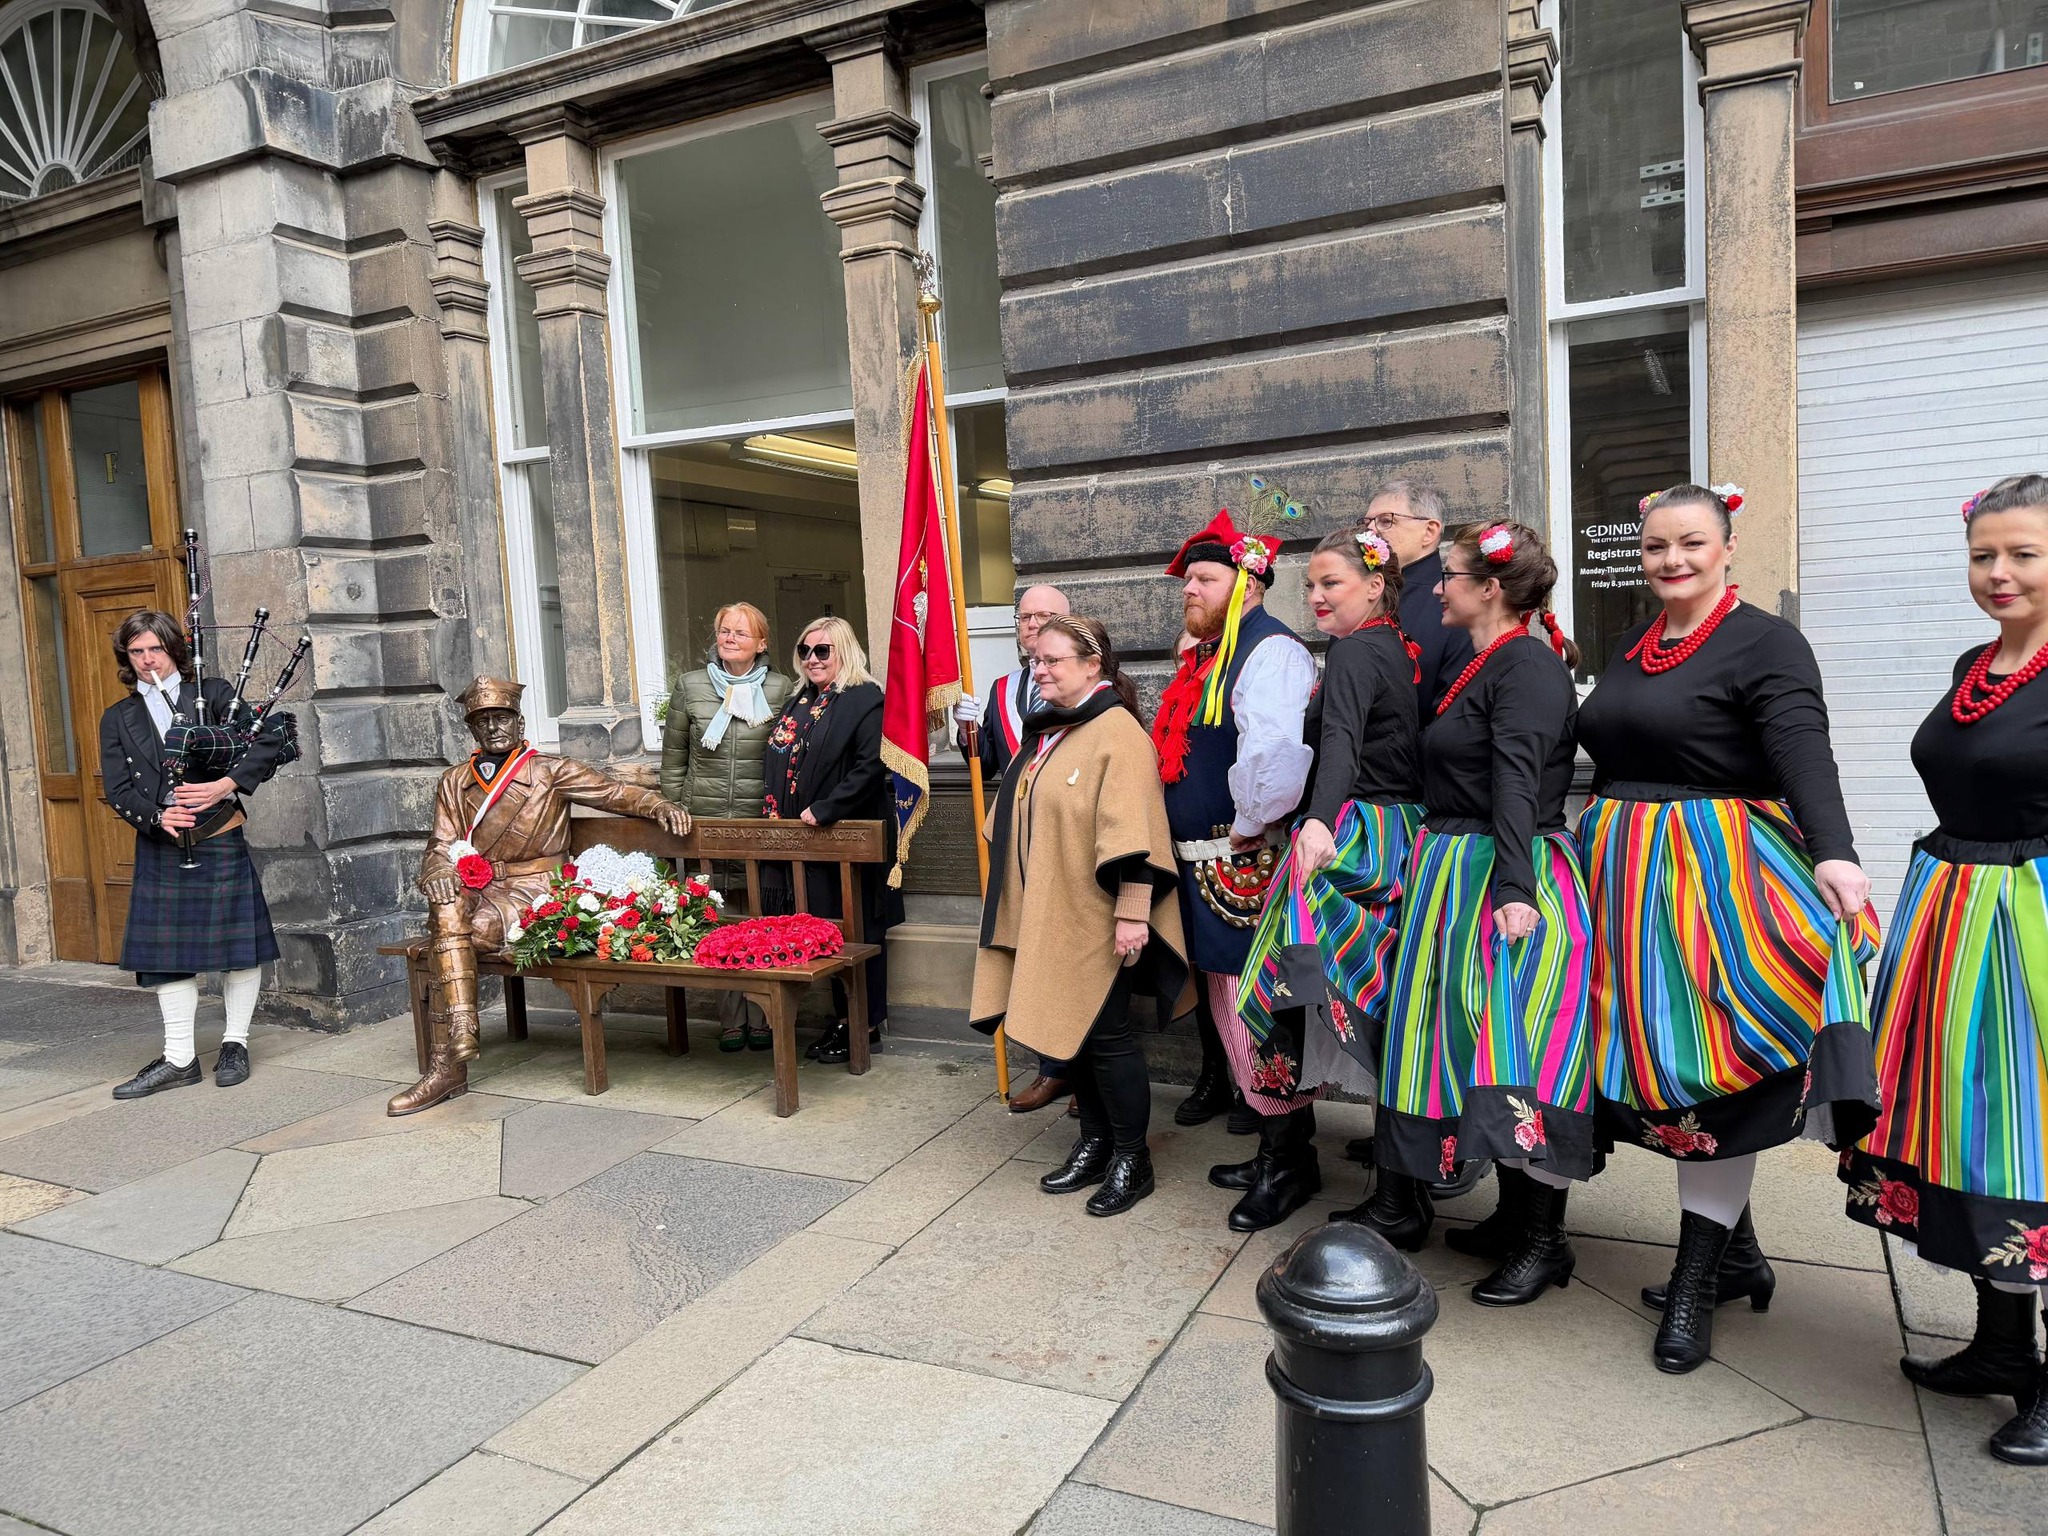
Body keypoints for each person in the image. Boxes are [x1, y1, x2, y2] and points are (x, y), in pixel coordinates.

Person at [1577, 483, 1877, 1373]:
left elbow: (1802, 750)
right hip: (1623, 883)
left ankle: (1699, 1280)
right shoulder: (1639, 641)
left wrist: (1835, 853)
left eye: (1692, 543)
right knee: (1657, 1071)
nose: (1672, 560)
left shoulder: (1767, 642)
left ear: (1728, 546)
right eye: (1657, 546)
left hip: (1715, 887)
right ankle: (1739, 1254)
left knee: (1715, 1076)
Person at [1842, 474, 2048, 1467]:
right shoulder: (1977, 661)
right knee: (1967, 1138)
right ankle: (2000, 1344)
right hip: (1950, 918)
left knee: (2032, 1139)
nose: (1997, 573)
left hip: (2030, 930)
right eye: (1982, 555)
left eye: (2022, 554)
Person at [1365, 521, 1594, 1308]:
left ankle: (1545, 1240)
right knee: (1471, 1049)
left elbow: (1519, 787)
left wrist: (1516, 892)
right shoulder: (1484, 660)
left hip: (1503, 879)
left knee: (1518, 1053)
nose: (1436, 587)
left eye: (1451, 576)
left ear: (1489, 589)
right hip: (1459, 872)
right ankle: (1511, 1217)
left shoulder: (1526, 666)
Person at [391, 677, 690, 1114]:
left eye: (501, 718)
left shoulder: (549, 770)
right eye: (482, 721)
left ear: (520, 721)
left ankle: (446, 1066)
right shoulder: (454, 781)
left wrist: (660, 805)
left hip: (534, 889)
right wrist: (437, 870)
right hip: (480, 887)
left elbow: (613, 792)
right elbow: (440, 844)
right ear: (472, 730)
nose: (493, 727)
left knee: (446, 938)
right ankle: (460, 1034)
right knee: (447, 907)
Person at [971, 616, 1189, 1217]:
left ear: (1093, 666)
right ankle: (1093, 1143)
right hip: (1053, 913)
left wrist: (1133, 914)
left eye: (1054, 661)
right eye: (1035, 660)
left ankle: (1130, 1159)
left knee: (1109, 1039)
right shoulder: (1053, 732)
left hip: (1102, 917)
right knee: (1074, 1041)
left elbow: (1135, 831)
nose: (1039, 671)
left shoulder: (1116, 733)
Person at [1154, 508, 1319, 1232]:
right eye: (1188, 578)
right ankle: (1276, 1144)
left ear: (1248, 585)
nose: (1189, 588)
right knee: (1230, 1006)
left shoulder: (1269, 652)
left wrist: (1247, 829)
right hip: (1206, 863)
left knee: (1261, 1013)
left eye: (1204, 578)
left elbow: (1275, 758)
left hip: (1240, 862)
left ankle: (1289, 1162)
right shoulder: (1211, 655)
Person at [1236, 527, 1422, 1116]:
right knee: (1376, 988)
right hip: (1401, 828)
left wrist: (1318, 822)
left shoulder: (1354, 651)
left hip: (1359, 828)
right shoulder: (1393, 643)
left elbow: (1341, 741)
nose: (1316, 596)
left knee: (1287, 975)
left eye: (1331, 583)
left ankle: (1283, 1145)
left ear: (1374, 586)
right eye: (1311, 584)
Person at [103, 611, 288, 1098]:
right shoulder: (118, 718)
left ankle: (235, 1042)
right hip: (163, 844)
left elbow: (267, 739)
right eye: (137, 652)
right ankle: (180, 1058)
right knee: (166, 958)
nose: (147, 660)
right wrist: (156, 816)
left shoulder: (215, 694)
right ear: (128, 657)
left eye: (155, 650)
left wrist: (226, 783)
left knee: (239, 946)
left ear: (173, 651)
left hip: (218, 834)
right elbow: (118, 788)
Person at [954, 584, 1073, 1112]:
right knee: (1028, 956)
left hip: (1068, 842)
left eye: (1045, 615)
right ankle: (1053, 1068)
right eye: (1025, 616)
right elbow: (989, 763)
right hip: (1018, 842)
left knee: (1072, 960)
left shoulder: (1091, 684)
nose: (1032, 623)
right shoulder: (1002, 688)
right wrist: (966, 732)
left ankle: (1085, 1072)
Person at [761, 615, 901, 1063]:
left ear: (844, 651)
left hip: (847, 838)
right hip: (805, 842)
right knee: (826, 931)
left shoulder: (865, 698)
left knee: (856, 930)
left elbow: (871, 764)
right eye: (805, 650)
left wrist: (825, 808)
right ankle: (840, 1019)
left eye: (823, 650)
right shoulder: (802, 700)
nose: (812, 658)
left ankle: (863, 1023)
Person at [660, 601, 792, 1052]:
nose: (730, 638)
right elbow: (674, 757)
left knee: (761, 918)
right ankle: (731, 1020)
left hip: (759, 824)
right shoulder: (691, 686)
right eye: (723, 630)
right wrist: (676, 809)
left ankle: (762, 1017)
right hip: (706, 825)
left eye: (740, 632)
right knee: (718, 922)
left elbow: (790, 755)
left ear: (761, 642)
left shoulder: (780, 689)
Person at [1169, 622, 1259, 1139]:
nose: (1193, 662)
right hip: (1184, 854)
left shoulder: (1234, 691)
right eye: (1186, 656)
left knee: (1238, 976)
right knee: (1202, 975)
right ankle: (1214, 1075)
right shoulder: (1179, 700)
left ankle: (1256, 1086)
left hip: (1235, 856)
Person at [1364, 479, 1475, 715]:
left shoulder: (1454, 602)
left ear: (1429, 531)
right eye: (1366, 524)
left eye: (1386, 520)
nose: (1370, 532)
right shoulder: (1361, 596)